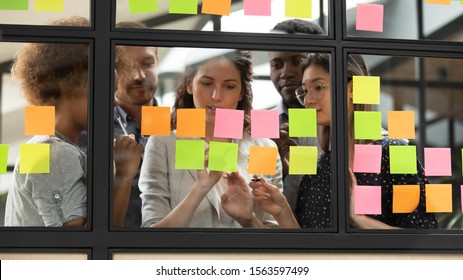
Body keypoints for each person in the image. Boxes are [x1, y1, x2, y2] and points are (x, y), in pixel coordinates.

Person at [250, 53, 438, 229]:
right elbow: (309, 246)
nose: (308, 100)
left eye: (318, 87)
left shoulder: (396, 153)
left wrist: (359, 219)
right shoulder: (319, 167)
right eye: (305, 91)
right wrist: (282, 210)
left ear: (351, 89)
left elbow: (422, 240)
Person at [139, 49, 283, 228]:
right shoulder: (163, 143)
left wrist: (248, 220)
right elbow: (150, 235)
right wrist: (199, 190)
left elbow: (276, 236)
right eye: (207, 83)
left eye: (229, 86)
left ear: (241, 93)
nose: (216, 96)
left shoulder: (264, 147)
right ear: (190, 85)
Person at [4, 16, 90, 227]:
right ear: (71, 86)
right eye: (104, 87)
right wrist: (122, 177)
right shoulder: (56, 153)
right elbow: (76, 249)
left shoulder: (45, 146)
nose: (113, 102)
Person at [78, 21, 157, 227]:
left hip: (171, 248)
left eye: (147, 63)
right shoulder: (90, 128)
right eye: (127, 66)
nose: (139, 76)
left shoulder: (180, 127)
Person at [268, 19, 324, 212]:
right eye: (276, 64)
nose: (286, 73)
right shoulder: (258, 130)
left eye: (297, 62)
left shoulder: (345, 129)